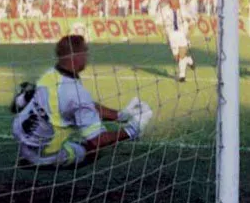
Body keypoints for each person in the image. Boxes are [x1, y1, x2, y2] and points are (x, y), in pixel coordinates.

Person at [10, 35, 152, 167]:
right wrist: (132, 130)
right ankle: (37, 162)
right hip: (42, 152)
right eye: (85, 53)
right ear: (75, 56)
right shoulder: (76, 94)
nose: (87, 57)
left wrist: (120, 116)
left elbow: (85, 106)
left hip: (21, 135)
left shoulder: (50, 75)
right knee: (92, 151)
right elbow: (98, 140)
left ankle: (32, 152)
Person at [159, 0, 195, 82]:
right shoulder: (164, 10)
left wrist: (189, 33)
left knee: (182, 55)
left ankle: (182, 76)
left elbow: (192, 21)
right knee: (177, 58)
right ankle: (189, 60)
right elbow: (159, 23)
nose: (174, 0)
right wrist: (163, 34)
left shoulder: (184, 9)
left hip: (182, 34)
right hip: (172, 36)